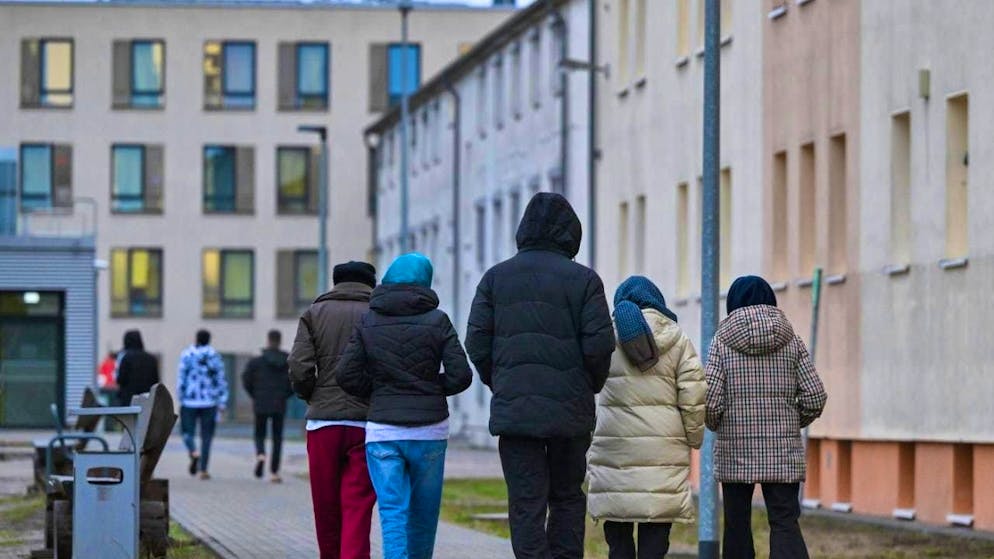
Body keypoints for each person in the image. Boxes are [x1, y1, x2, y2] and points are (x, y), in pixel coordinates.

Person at [465, 192, 616, 559]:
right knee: (566, 498)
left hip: (516, 414)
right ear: (570, 233)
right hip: (570, 412)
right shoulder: (584, 281)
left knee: (525, 503)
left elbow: (476, 342)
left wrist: (501, 381)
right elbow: (600, 346)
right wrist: (586, 385)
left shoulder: (495, 279)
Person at [336, 253, 472, 559]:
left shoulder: (368, 321)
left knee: (392, 513)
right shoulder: (438, 321)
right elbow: (461, 375)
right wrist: (431, 388)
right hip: (430, 432)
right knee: (423, 516)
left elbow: (346, 375)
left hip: (383, 431)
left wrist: (379, 392)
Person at [704, 276, 828, 559]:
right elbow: (815, 396)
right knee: (784, 521)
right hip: (783, 451)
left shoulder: (721, 342)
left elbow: (709, 400)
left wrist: (718, 424)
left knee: (737, 525)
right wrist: (788, 422)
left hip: (735, 449)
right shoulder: (791, 340)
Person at [587, 276, 706, 559]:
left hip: (614, 450)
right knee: (655, 537)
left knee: (618, 539)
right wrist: (693, 438)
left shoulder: (605, 338)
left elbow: (585, 384)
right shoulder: (677, 339)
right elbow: (693, 395)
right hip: (663, 450)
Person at [289, 261, 378, 559]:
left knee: (325, 505)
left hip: (322, 423)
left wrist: (311, 395)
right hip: (366, 423)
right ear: (371, 283)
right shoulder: (379, 313)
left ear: (335, 282)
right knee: (358, 505)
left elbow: (299, 367)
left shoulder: (314, 313)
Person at [242, 329, 293, 483]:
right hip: (279, 403)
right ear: (280, 341)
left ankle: (261, 454)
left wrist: (255, 395)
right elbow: (294, 382)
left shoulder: (256, 362)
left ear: (268, 340)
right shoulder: (288, 362)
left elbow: (246, 380)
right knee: (277, 437)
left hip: (261, 402)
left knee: (259, 433)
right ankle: (274, 472)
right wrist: (285, 395)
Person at [178, 329, 229, 480]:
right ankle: (203, 470)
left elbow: (181, 377)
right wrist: (222, 400)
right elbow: (221, 379)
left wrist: (181, 397)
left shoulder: (186, 354)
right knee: (207, 436)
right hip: (210, 401)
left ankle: (193, 452)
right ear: (209, 339)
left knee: (187, 432)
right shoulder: (214, 355)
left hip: (189, 400)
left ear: (196, 338)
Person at [116, 330, 159, 406]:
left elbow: (120, 379)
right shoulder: (151, 359)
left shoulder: (126, 358)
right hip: (147, 401)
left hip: (128, 401)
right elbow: (155, 381)